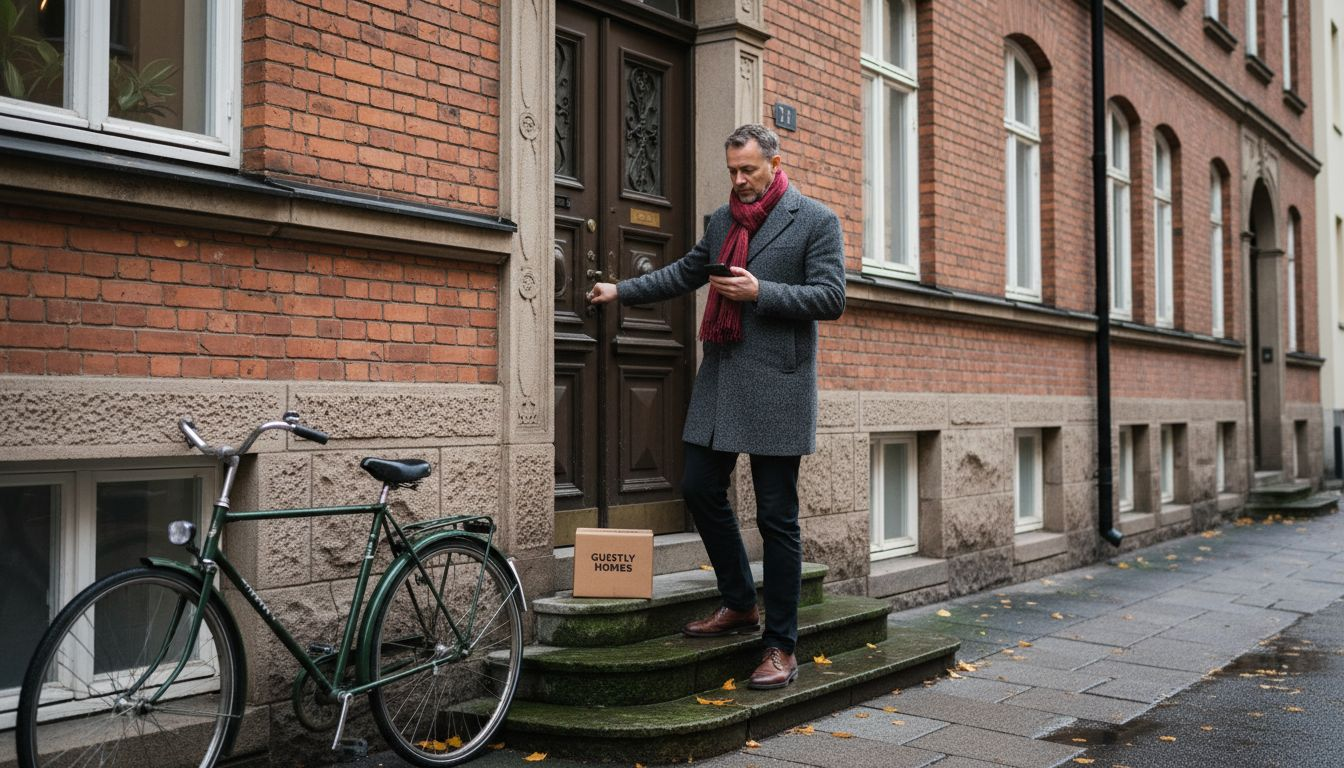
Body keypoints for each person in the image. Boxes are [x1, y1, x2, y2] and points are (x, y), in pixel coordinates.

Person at [587, 123, 845, 689]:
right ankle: (738, 602)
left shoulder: (817, 220)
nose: (739, 179)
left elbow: (832, 297)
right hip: (724, 378)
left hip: (779, 383)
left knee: (777, 517)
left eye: (747, 169)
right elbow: (687, 271)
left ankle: (781, 646)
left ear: (775, 164)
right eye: (732, 170)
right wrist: (620, 291)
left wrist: (762, 294)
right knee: (700, 485)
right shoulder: (722, 220)